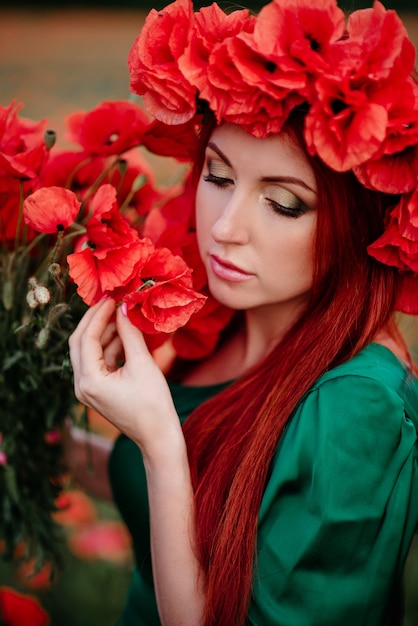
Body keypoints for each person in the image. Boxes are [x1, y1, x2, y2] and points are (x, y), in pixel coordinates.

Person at [69, 0, 418, 624]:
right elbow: (206, 496)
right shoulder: (232, 315)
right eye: (219, 175)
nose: (225, 230)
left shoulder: (357, 409)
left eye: (283, 203)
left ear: (362, 221)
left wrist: (157, 440)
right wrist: (47, 446)